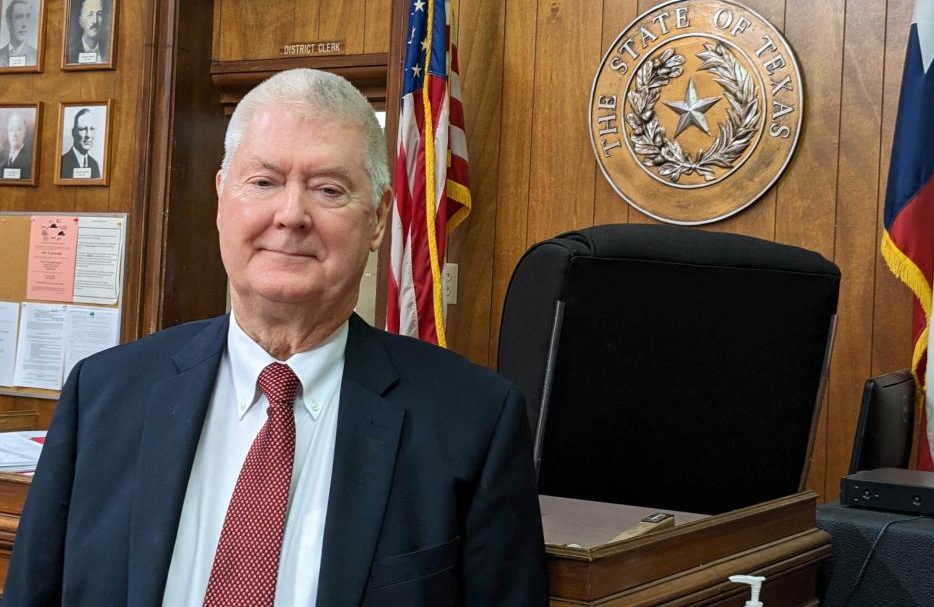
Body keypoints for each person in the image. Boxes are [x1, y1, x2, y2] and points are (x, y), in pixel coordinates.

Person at [6, 69, 548, 606]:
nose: (290, 215)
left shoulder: (473, 420)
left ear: (379, 217)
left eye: (328, 189)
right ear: (223, 197)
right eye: (263, 182)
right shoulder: (102, 394)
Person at [60, 108, 101, 179]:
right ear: (73, 133)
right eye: (83, 129)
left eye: (91, 129)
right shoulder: (62, 163)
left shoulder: (94, 165)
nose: (88, 135)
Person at [66, 0, 107, 64]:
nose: (95, 21)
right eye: (90, 14)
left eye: (99, 14)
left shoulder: (108, 49)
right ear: (81, 21)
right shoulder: (70, 53)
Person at [0, 0, 37, 67]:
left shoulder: (36, 56)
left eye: (28, 16)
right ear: (9, 22)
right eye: (19, 17)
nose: (24, 24)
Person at [2, 112, 32, 179]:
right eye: (11, 130)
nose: (14, 134)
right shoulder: (3, 161)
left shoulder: (29, 160)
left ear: (24, 133)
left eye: (18, 129)